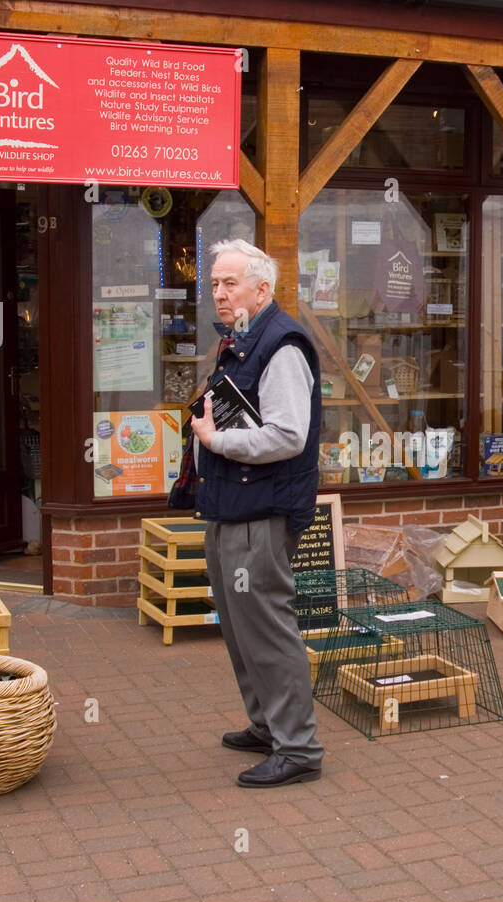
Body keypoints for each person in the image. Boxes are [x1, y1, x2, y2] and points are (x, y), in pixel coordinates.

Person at [187, 239, 324, 788]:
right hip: (229, 505)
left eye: (230, 284)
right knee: (240, 625)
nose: (219, 294)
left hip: (260, 512)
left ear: (261, 289)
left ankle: (299, 749)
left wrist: (217, 443)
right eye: (215, 283)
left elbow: (289, 436)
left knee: (267, 627)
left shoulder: (282, 345)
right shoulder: (240, 341)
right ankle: (267, 725)